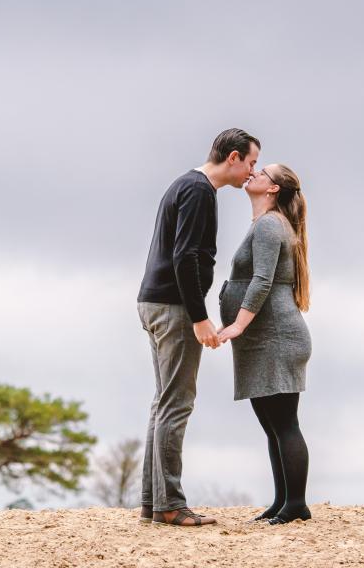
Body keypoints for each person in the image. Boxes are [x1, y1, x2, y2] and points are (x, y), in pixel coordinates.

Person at [136, 128, 259, 527]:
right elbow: (185, 256)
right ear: (234, 157)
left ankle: (154, 503)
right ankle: (170, 505)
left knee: (163, 402)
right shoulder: (199, 190)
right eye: (252, 163)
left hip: (153, 302)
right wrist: (199, 317)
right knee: (177, 403)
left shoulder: (186, 184)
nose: (251, 173)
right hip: (172, 308)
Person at [216, 163, 313, 525]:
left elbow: (261, 281)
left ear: (272, 189)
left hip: (278, 338)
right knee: (272, 424)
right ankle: (282, 500)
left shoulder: (271, 225)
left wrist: (238, 325)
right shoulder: (264, 224)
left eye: (263, 173)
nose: (254, 174)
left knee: (285, 422)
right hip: (264, 339)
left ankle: (297, 504)